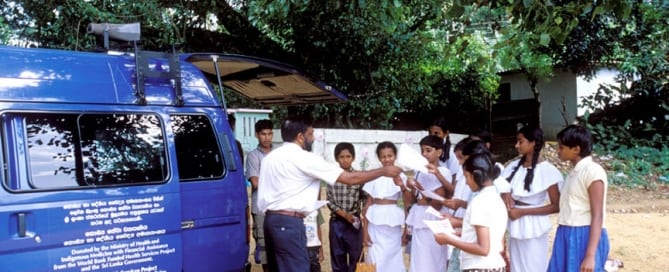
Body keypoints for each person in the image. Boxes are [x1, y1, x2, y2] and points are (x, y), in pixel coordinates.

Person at [257, 118, 402, 271]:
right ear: (300, 137)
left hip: (270, 221)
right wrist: (383, 171)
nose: (313, 138)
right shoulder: (302, 157)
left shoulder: (270, 158)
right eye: (311, 134)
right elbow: (349, 178)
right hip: (289, 223)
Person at [548, 125, 609, 272]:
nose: (558, 151)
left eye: (561, 147)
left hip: (584, 235)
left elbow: (597, 215)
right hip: (566, 232)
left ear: (576, 149)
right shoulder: (574, 173)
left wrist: (590, 255)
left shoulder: (592, 172)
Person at [501, 125, 562, 272]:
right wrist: (505, 193)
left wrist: (522, 212)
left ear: (533, 142)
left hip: (534, 223)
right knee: (517, 264)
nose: (517, 146)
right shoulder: (513, 167)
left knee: (533, 264)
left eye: (520, 141)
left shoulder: (548, 171)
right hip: (514, 221)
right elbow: (500, 185)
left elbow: (556, 206)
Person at [434, 153, 509, 272]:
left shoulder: (479, 202)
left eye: (467, 177)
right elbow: (490, 235)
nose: (466, 182)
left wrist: (449, 240)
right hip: (494, 265)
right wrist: (461, 236)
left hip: (480, 267)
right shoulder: (496, 198)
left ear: (476, 175)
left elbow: (483, 249)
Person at [404, 135, 451, 272]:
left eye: (428, 150)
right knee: (419, 259)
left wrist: (424, 195)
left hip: (434, 218)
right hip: (419, 217)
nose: (424, 154)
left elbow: (438, 201)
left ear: (439, 152)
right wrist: (412, 186)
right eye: (422, 150)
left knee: (434, 258)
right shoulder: (419, 172)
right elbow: (415, 199)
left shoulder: (444, 172)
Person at [361, 141, 407, 272]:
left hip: (393, 222)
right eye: (383, 157)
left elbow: (406, 204)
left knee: (393, 258)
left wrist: (406, 230)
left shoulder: (401, 176)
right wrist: (365, 232)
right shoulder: (375, 175)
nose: (387, 159)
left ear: (395, 156)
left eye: (390, 156)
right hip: (375, 222)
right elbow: (368, 205)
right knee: (375, 258)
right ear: (379, 158)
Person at [326, 142, 364, 272]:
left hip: (354, 223)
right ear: (336, 158)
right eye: (342, 157)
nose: (345, 160)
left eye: (348, 156)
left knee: (357, 257)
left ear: (353, 158)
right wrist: (345, 215)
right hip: (337, 223)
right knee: (338, 257)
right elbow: (329, 202)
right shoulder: (332, 177)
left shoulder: (359, 177)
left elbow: (364, 198)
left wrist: (360, 216)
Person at [245, 119, 274, 272]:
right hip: (261, 209)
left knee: (279, 247)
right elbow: (255, 183)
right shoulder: (253, 156)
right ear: (257, 135)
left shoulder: (278, 153)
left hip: (278, 207)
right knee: (264, 249)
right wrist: (278, 181)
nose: (266, 138)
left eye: (269, 134)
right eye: (263, 134)